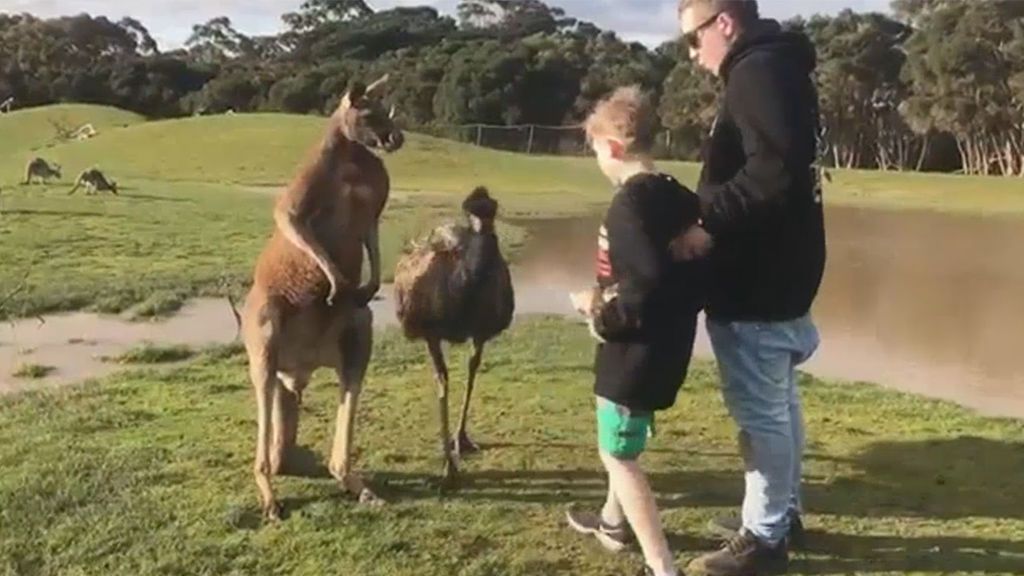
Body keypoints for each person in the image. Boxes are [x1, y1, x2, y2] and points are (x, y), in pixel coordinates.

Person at [670, 1, 827, 574]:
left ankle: (764, 540)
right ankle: (779, 515)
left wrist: (703, 221)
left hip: (760, 273)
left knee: (761, 412)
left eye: (692, 39)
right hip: (781, 266)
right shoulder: (775, 66)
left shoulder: (757, 71)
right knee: (778, 403)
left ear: (725, 24)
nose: (692, 54)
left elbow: (773, 175)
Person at [564, 85, 707, 576]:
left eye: (597, 148)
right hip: (669, 345)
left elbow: (644, 285)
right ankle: (611, 523)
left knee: (617, 455)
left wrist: (597, 312)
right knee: (625, 440)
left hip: (633, 352)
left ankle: (661, 565)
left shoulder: (628, 205)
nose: (598, 158)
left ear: (616, 148)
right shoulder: (678, 194)